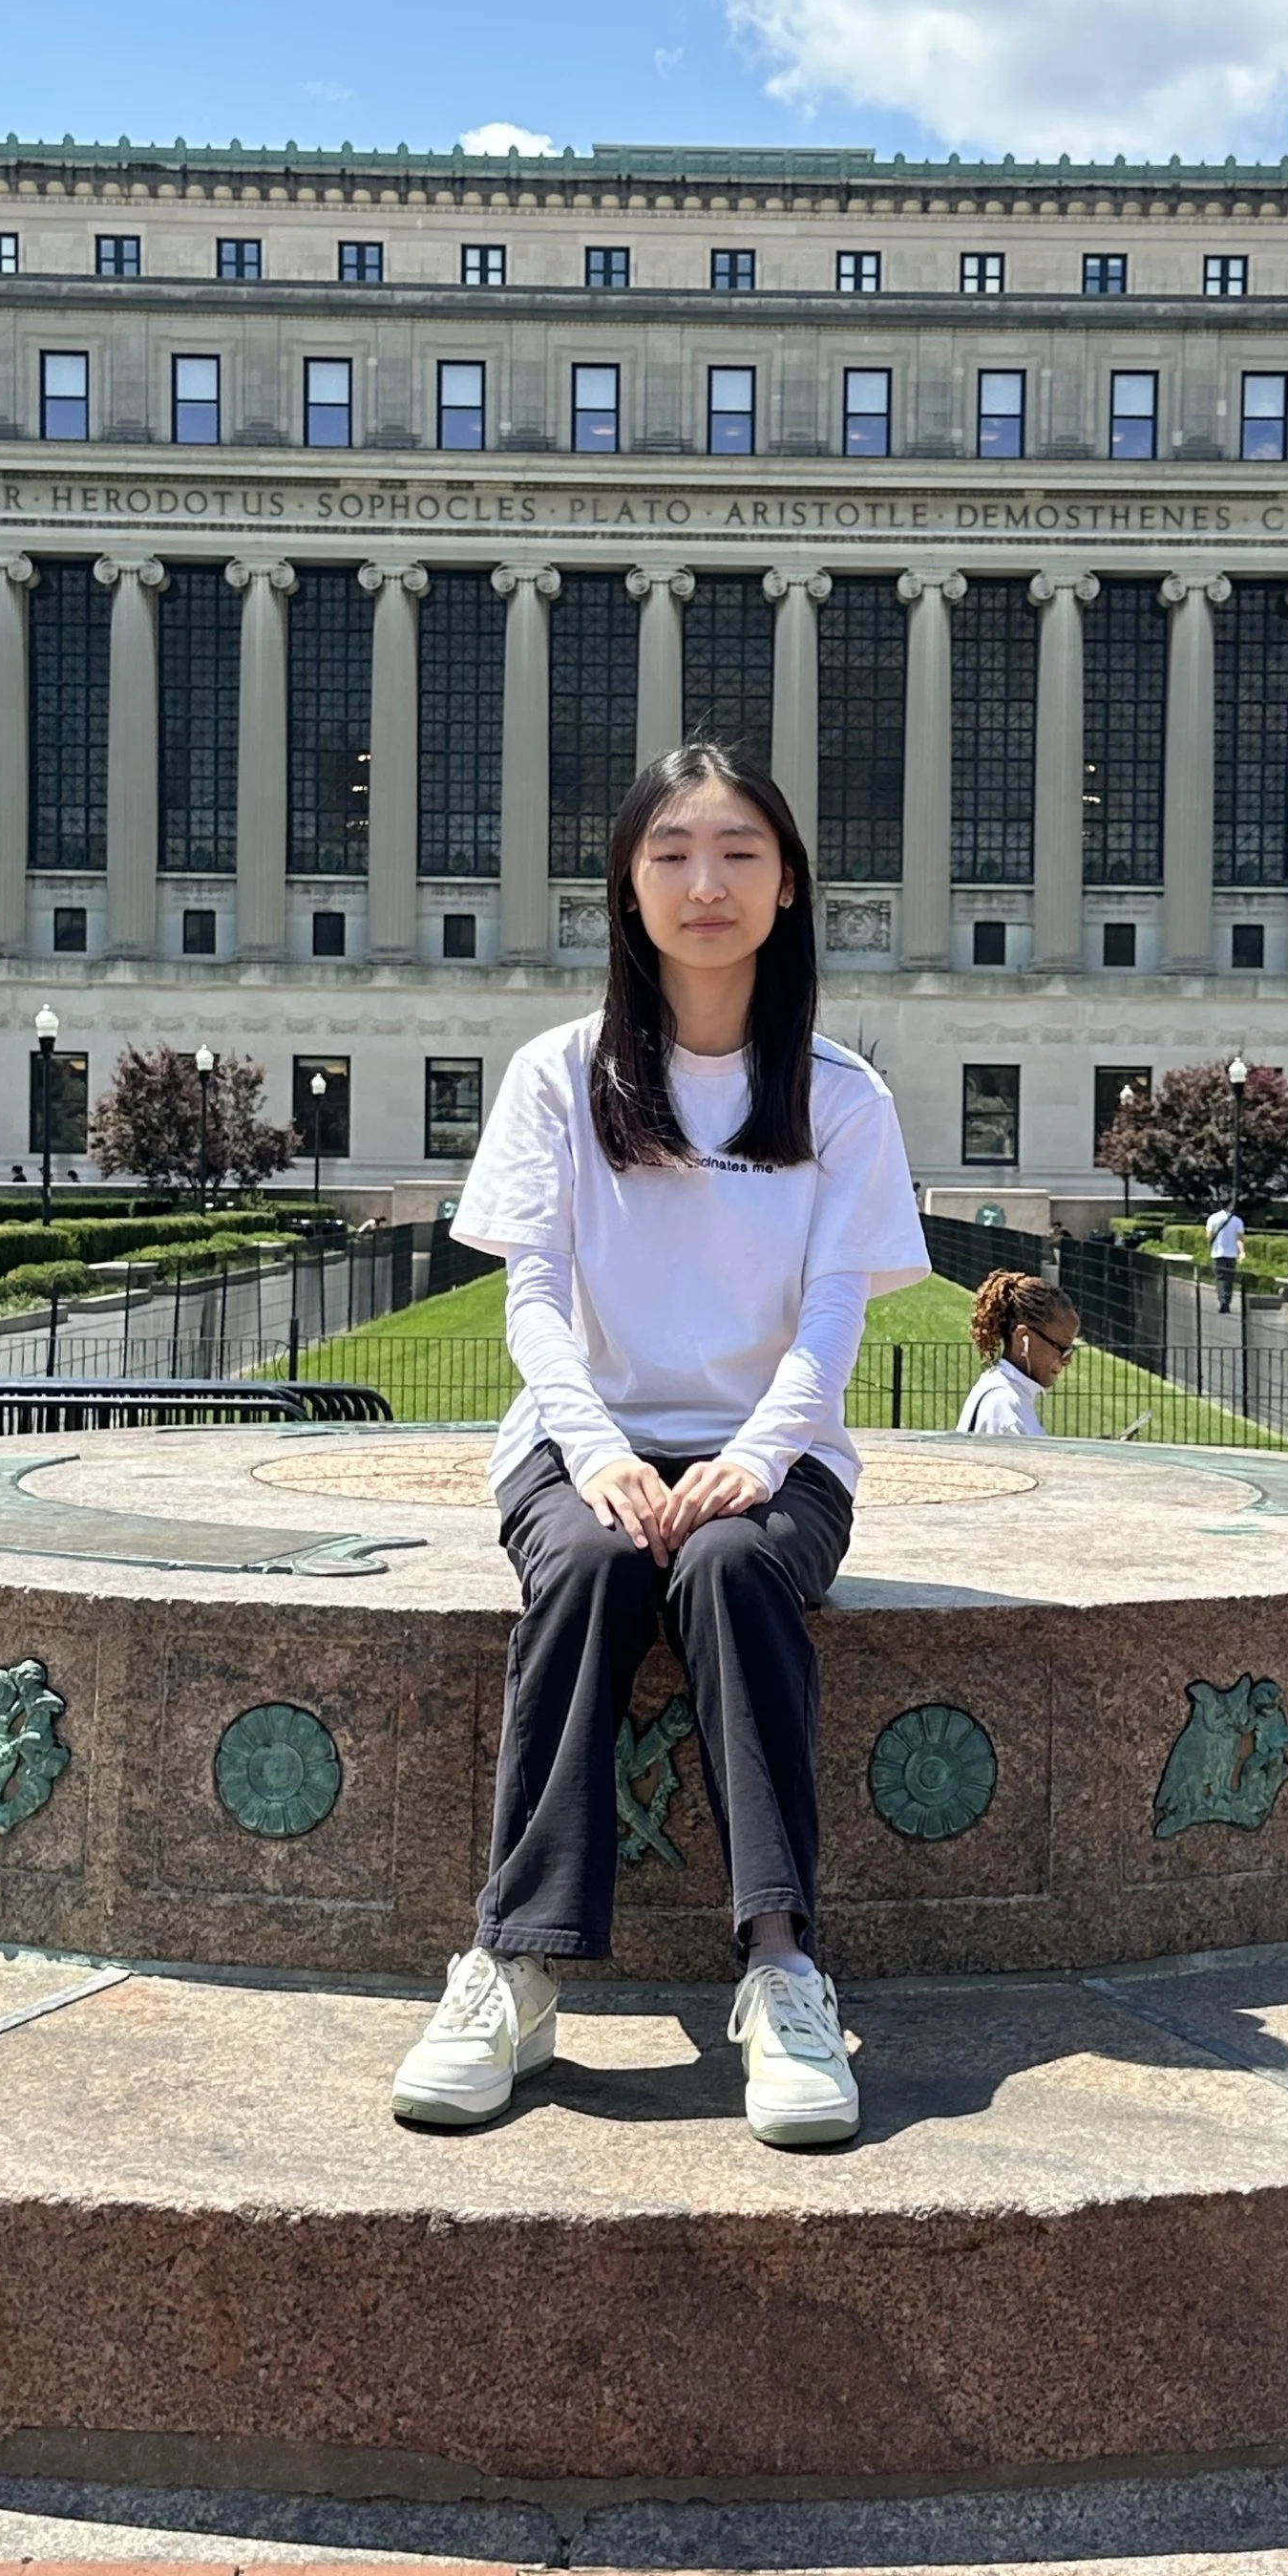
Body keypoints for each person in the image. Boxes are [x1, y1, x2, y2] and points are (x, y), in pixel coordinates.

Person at [391, 742, 927, 2150]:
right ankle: (514, 1965)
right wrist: (593, 1453)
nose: (708, 882)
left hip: (780, 1455)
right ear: (627, 886)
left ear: (790, 886)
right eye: (674, 852)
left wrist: (758, 1453)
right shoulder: (558, 1076)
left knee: (735, 1569)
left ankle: (783, 1969)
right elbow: (533, 1295)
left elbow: (827, 1316)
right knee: (588, 1569)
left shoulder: (843, 1096)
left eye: (740, 852)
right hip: (585, 1443)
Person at [957, 1270, 1079, 1436]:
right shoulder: (1004, 1405)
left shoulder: (1008, 1395)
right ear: (1022, 1338)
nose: (1067, 1360)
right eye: (1061, 1349)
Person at [1204, 1199, 1245, 1315]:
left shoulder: (1213, 1218)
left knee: (1220, 1279)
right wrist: (1241, 1252)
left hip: (1217, 1254)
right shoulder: (1237, 1221)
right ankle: (1227, 1300)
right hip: (1231, 1254)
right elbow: (1240, 1239)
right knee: (1229, 1279)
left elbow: (1208, 1236)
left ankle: (1223, 1301)